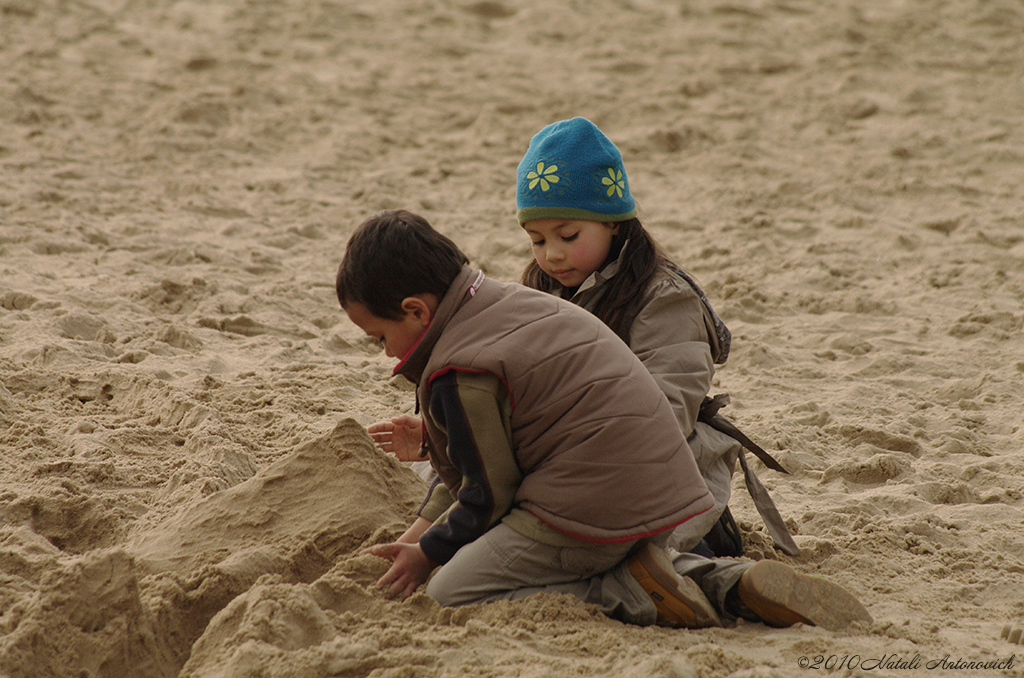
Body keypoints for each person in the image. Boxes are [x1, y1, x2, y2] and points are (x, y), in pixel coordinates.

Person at [339, 209, 872, 631]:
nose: (386, 353)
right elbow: (476, 463)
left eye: (380, 337)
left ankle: (624, 590)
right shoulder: (501, 302)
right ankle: (715, 581)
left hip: (586, 510)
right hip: (657, 496)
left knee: (449, 591)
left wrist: (426, 555)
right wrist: (414, 538)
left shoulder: (459, 368)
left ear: (416, 311)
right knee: (482, 552)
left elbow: (486, 495)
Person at [515, 116, 798, 558]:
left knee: (636, 553)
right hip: (563, 455)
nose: (551, 253)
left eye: (568, 235)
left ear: (613, 222)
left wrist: (565, 444)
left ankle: (716, 569)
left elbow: (664, 416)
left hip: (652, 464)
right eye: (536, 239)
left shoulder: (664, 298)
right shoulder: (539, 289)